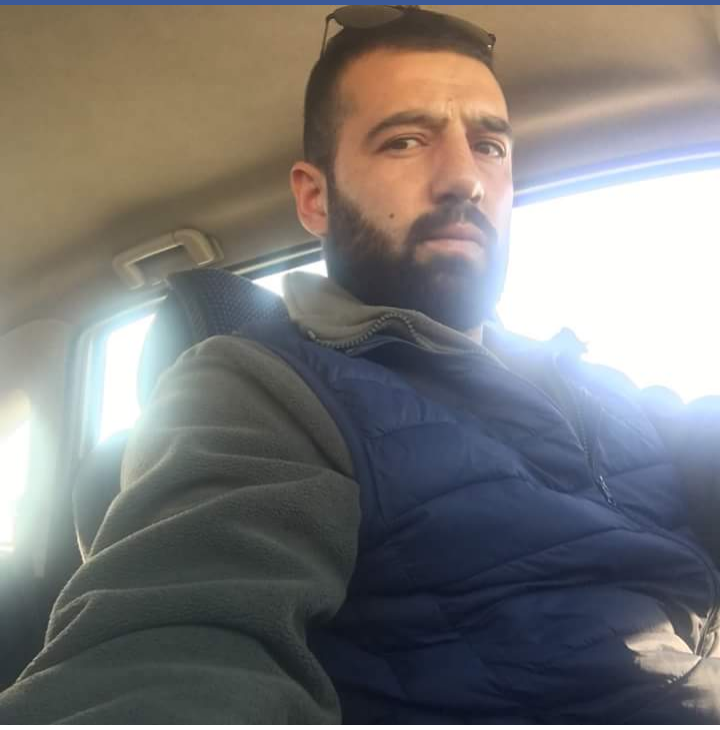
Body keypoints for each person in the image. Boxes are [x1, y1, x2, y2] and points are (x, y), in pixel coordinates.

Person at [1, 6, 719, 723]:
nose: (465, 178)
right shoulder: (262, 387)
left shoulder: (587, 380)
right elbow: (170, 650)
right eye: (405, 141)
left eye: (490, 146)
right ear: (315, 198)